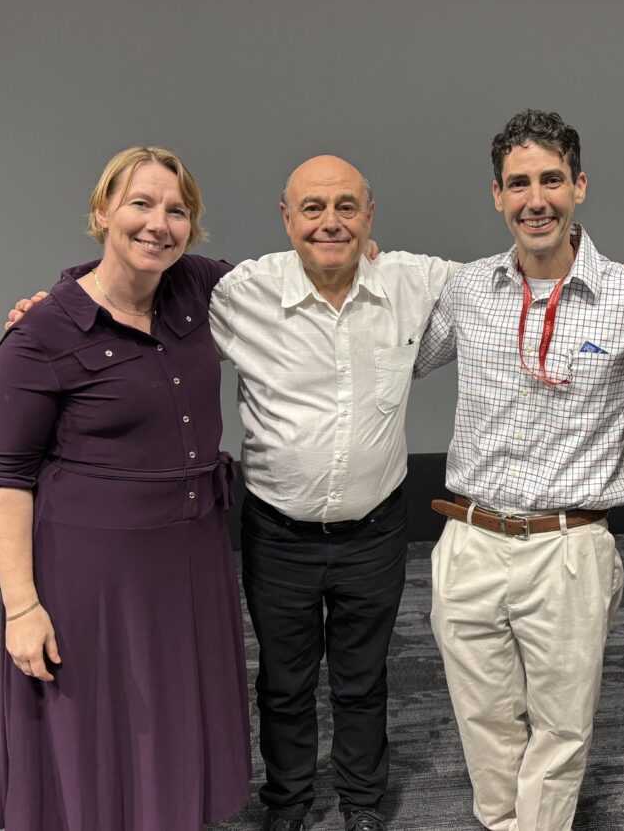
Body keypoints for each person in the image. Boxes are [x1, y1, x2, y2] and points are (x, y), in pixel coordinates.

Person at [0, 146, 251, 830]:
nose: (159, 223)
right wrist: (21, 607)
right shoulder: (40, 334)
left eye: (177, 210)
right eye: (140, 203)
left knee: (177, 723)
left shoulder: (195, 287)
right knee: (98, 739)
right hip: (91, 578)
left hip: (190, 560)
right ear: (101, 214)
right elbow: (4, 476)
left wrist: (361, 254)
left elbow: (293, 278)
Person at [413, 109, 624, 831]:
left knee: (560, 727)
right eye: (518, 183)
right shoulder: (467, 289)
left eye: (551, 179)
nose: (535, 198)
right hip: (471, 537)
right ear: (497, 195)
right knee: (483, 718)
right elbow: (385, 353)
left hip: (569, 544)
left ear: (579, 185)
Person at [208, 155, 456, 831]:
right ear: (286, 217)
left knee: (363, 675)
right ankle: (287, 802)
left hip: (375, 528)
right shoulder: (240, 294)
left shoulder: (413, 281)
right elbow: (142, 293)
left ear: (369, 214)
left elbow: (514, 280)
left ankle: (363, 802)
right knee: (283, 681)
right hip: (277, 532)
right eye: (312, 207)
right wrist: (57, 296)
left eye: (346, 206)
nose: (330, 221)